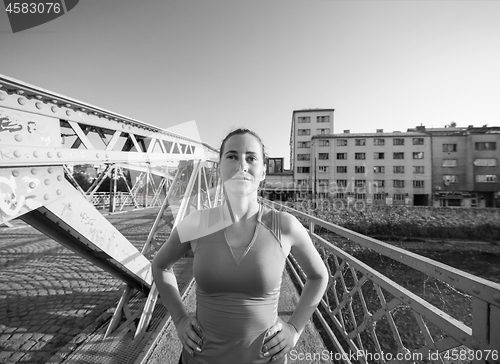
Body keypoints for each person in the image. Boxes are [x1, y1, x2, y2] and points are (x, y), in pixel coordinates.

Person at [152, 128, 328, 364]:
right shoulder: (197, 223)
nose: (241, 165)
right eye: (232, 156)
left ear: (263, 171)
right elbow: (160, 266)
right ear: (220, 166)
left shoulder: (284, 225)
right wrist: (180, 319)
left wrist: (295, 328)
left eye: (251, 158)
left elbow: (319, 276)